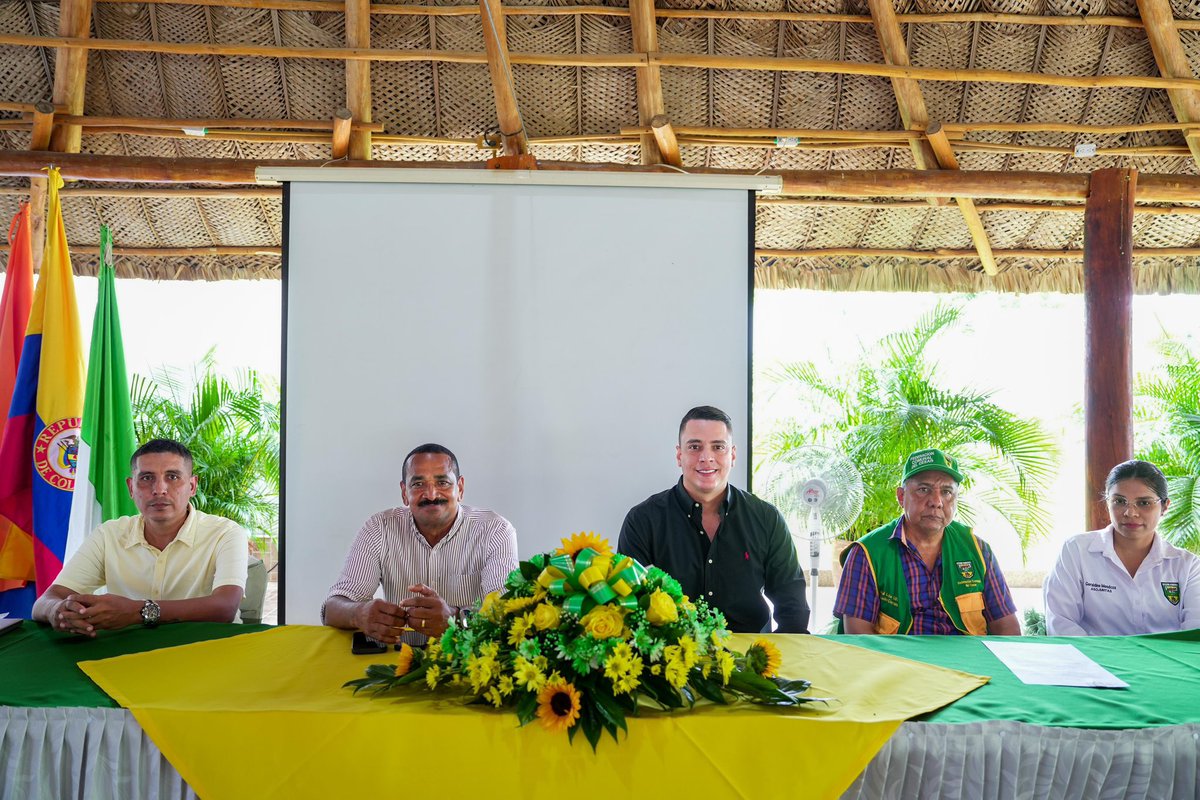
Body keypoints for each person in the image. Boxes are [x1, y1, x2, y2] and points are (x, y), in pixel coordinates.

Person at [618, 406, 809, 633]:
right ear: (680, 455)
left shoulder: (766, 518)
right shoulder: (642, 521)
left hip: (751, 656)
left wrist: (772, 660)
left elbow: (792, 607)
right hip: (671, 658)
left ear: (733, 455)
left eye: (718, 447)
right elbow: (627, 605)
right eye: (695, 447)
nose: (706, 457)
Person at [31, 439, 248, 635]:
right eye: (146, 478)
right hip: (129, 654)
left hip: (209, 649)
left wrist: (138, 611)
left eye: (172, 477)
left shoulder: (225, 533)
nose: (159, 489)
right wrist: (59, 611)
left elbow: (225, 607)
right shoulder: (109, 535)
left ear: (192, 486)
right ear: (131, 488)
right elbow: (46, 601)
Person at [322, 443, 518, 644]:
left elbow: (508, 615)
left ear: (460, 488)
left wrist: (457, 620)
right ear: (404, 493)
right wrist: (358, 613)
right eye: (418, 484)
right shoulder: (379, 528)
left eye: (442, 482)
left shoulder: (495, 531)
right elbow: (332, 608)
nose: (431, 495)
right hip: (395, 665)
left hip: (470, 664)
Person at [834, 448, 1020, 635]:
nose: (936, 501)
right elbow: (859, 637)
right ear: (901, 496)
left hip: (966, 661)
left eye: (947, 492)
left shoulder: (977, 550)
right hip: (898, 660)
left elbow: (1006, 624)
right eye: (924, 489)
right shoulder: (868, 553)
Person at [1044, 460, 1200, 635]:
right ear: (1107, 503)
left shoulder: (1188, 566)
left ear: (1164, 506)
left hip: (1166, 661)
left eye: (1144, 503)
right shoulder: (1076, 551)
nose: (1130, 512)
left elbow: (1193, 634)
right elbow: (1061, 623)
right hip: (1092, 660)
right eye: (1119, 501)